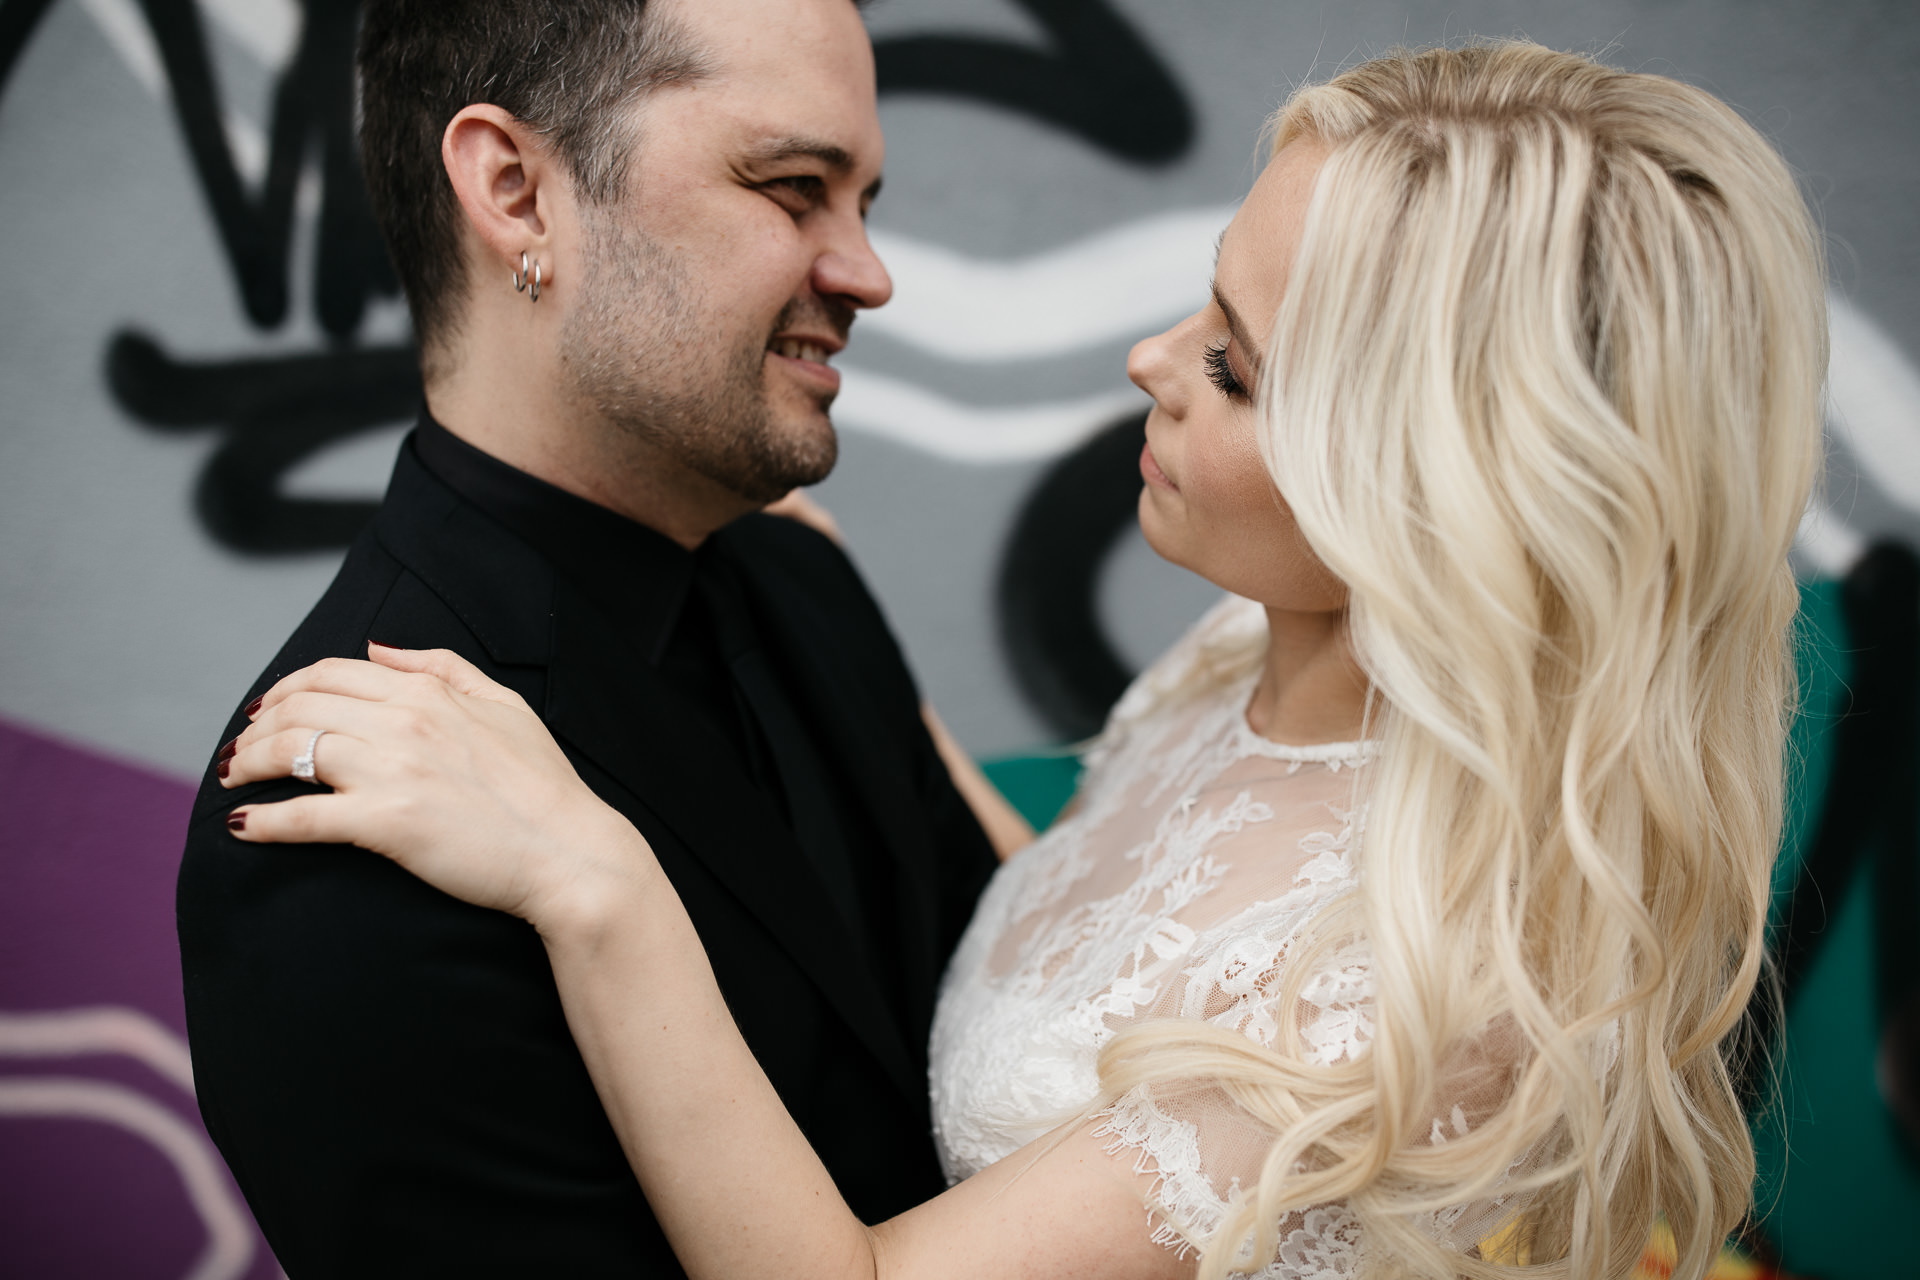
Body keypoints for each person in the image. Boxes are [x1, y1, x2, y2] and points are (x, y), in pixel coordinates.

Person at [219, 40, 1826, 1280]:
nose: (1150, 363)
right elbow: (1094, 914)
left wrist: (596, 881)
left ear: (1428, 482)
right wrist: (837, 662)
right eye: (1202, 307)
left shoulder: (1416, 978)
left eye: (1236, 367)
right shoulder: (1236, 666)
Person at [176, 0, 1014, 1274]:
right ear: (517, 192)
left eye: (866, 204)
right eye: (793, 188)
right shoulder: (343, 818)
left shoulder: (801, 580)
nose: (867, 274)